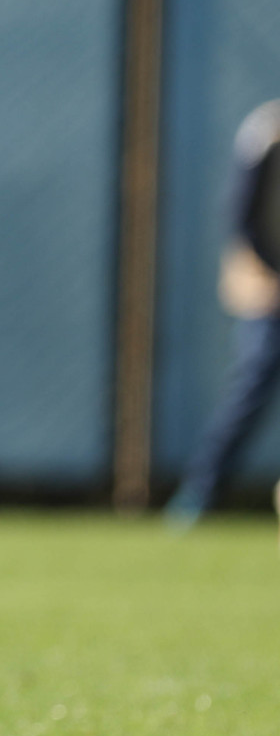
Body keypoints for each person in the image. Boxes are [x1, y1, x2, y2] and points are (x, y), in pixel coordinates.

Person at [165, 100, 280, 527]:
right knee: (252, 389)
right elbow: (243, 217)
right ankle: (200, 492)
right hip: (269, 292)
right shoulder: (266, 131)